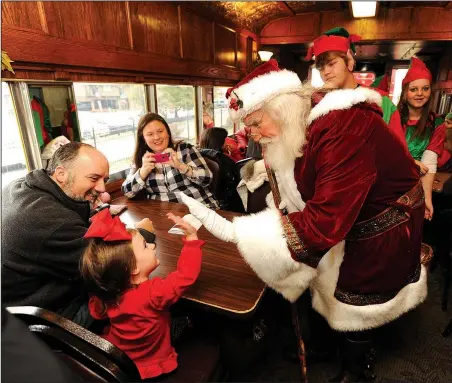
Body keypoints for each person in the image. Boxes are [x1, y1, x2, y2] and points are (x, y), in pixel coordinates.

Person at [179, 57, 429, 381]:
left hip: (383, 223)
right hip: (348, 217)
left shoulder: (343, 128)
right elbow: (295, 194)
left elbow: (324, 219)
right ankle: (327, 345)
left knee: (358, 297)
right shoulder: (297, 128)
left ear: (283, 109)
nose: (254, 136)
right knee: (325, 280)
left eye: (256, 124)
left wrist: (237, 232)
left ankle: (357, 367)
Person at [80, 208, 204, 380]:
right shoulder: (154, 293)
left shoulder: (105, 295)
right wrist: (191, 240)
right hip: (151, 357)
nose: (152, 246)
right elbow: (184, 277)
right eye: (146, 246)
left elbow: (96, 311)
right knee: (190, 323)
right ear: (133, 269)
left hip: (121, 354)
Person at [2, 142, 110, 328]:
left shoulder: (21, 187)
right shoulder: (49, 220)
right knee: (126, 290)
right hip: (45, 318)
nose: (102, 188)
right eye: (94, 178)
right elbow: (108, 264)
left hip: (16, 303)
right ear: (61, 174)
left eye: (105, 180)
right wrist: (144, 233)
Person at [307, 27, 407, 149]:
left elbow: (398, 150)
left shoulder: (381, 101)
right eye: (321, 68)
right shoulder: (318, 105)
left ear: (349, 62)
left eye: (332, 64)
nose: (326, 72)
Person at [122, 113, 219, 209]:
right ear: (143, 138)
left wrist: (181, 166)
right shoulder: (141, 159)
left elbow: (208, 179)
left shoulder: (185, 149)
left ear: (167, 132)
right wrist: (143, 172)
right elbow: (128, 192)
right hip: (165, 214)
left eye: (160, 131)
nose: (157, 137)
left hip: (200, 206)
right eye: (150, 134)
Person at [398, 57, 447, 219]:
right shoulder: (392, 118)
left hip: (415, 189)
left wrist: (427, 199)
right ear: (405, 93)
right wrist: (409, 162)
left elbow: (429, 165)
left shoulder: (437, 123)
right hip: (388, 187)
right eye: (413, 89)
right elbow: (381, 156)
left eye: (425, 89)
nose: (420, 94)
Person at [199, 127, 244, 212]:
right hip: (228, 204)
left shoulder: (199, 156)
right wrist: (235, 152)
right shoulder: (226, 160)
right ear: (220, 142)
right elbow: (238, 169)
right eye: (226, 139)